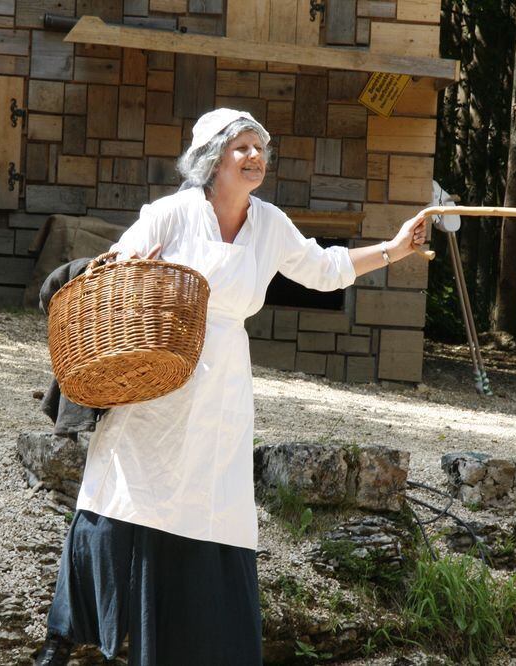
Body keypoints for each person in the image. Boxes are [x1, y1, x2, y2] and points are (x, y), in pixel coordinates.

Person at [34, 108, 428, 666]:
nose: (254, 156)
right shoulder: (171, 214)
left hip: (222, 387)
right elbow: (115, 268)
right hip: (159, 374)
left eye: (259, 147)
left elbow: (324, 267)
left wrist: (397, 247)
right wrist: (128, 265)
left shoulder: (269, 224)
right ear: (213, 158)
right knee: (122, 493)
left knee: (208, 508)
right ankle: (62, 638)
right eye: (241, 147)